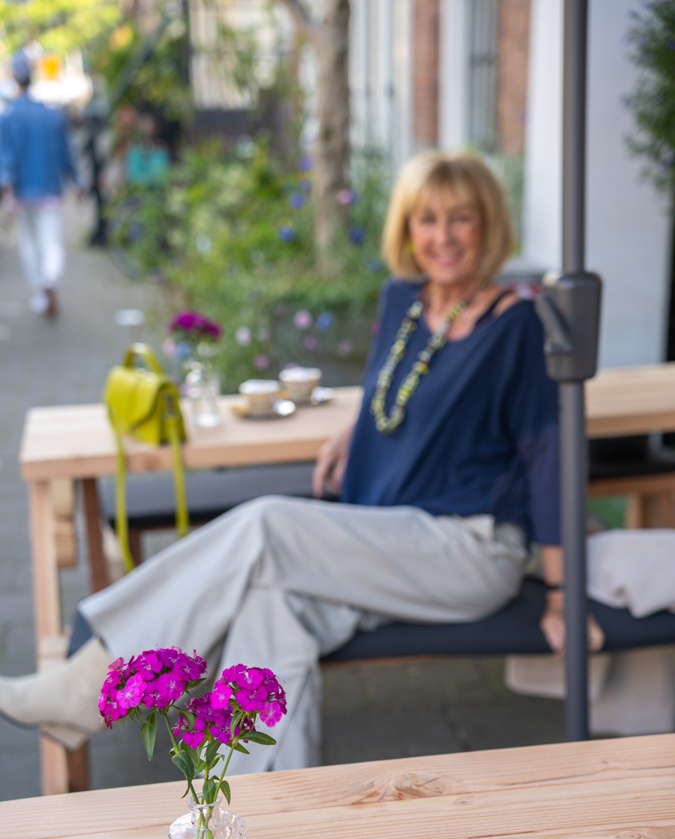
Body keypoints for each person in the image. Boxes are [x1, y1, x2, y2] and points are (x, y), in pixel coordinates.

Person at [0, 150, 604, 769]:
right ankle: (260, 820)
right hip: (381, 539)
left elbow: (546, 459)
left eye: (461, 218)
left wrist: (561, 594)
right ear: (406, 227)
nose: (443, 236)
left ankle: (98, 682)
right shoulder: (406, 301)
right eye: (427, 219)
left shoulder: (519, 325)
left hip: (466, 550)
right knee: (268, 605)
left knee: (266, 526)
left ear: (490, 224)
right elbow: (393, 388)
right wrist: (357, 430)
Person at [0, 50, 81, 318]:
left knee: (30, 243)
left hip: (24, 192)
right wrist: (77, 183)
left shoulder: (8, 117)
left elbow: (6, 158)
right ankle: (50, 280)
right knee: (52, 241)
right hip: (50, 189)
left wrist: (8, 193)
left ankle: (40, 289)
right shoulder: (52, 115)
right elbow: (66, 153)